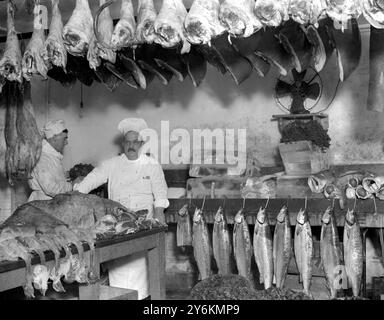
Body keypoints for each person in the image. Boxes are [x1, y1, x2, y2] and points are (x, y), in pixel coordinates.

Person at [73, 117, 169, 299]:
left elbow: (160, 193)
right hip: (118, 225)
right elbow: (94, 178)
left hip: (142, 226)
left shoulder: (151, 165)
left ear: (141, 143)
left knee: (140, 268)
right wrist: (77, 192)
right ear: (123, 143)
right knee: (118, 266)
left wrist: (159, 215)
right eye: (128, 142)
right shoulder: (112, 164)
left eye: (135, 142)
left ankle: (143, 298)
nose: (131, 146)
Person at [28, 119, 72, 202]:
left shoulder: (52, 156)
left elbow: (54, 177)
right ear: (54, 137)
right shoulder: (41, 157)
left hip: (51, 203)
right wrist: (72, 186)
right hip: (42, 205)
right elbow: (51, 188)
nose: (66, 142)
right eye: (64, 139)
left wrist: (68, 175)